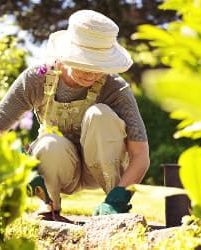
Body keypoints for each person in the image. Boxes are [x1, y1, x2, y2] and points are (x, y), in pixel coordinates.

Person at [0, 9, 150, 220]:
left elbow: (140, 155)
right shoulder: (36, 80)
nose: (91, 73)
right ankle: (49, 206)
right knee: (49, 143)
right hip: (57, 167)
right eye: (84, 63)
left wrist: (120, 195)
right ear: (67, 55)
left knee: (100, 115)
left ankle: (111, 209)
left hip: (101, 171)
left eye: (98, 65)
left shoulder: (115, 88)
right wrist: (18, 158)